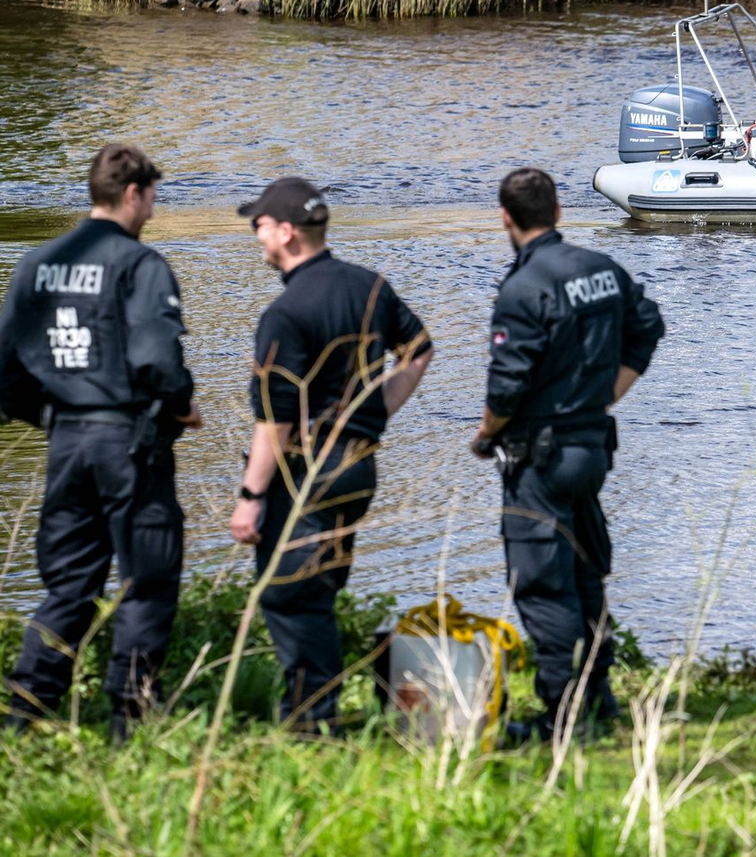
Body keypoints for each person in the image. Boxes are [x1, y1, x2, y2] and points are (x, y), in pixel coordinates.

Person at [0, 143, 201, 739]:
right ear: (134, 193)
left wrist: (54, 417)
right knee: (147, 577)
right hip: (131, 444)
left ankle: (24, 717)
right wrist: (178, 406)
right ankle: (129, 721)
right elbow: (159, 360)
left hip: (66, 442)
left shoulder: (36, 264)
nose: (154, 211)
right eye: (153, 198)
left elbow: (4, 375)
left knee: (69, 585)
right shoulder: (140, 266)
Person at [229, 177, 432, 732]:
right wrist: (373, 414)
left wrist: (250, 497)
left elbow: (274, 421)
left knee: (291, 596)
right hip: (357, 467)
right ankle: (318, 714)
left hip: (308, 476)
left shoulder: (286, 313)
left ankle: (310, 725)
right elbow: (418, 351)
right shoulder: (370, 287)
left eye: (261, 227)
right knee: (320, 587)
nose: (257, 236)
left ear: (288, 232)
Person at [471, 168, 664, 742]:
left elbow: (506, 386)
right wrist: (606, 396)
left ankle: (562, 715)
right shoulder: (600, 269)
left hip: (542, 456)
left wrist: (485, 435)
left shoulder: (522, 288)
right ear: (556, 210)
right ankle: (598, 695)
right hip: (591, 447)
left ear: (506, 218)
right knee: (584, 572)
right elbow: (647, 328)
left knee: (542, 581)